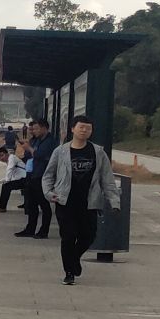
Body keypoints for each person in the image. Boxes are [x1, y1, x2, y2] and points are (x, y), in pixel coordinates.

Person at [41, 115, 117, 284]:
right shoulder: (60, 151)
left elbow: (107, 178)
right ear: (73, 129)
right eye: (81, 127)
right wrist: (48, 192)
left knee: (88, 236)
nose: (84, 131)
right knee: (68, 237)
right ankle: (69, 272)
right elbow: (48, 175)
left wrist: (114, 201)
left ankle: (74, 258)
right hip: (65, 202)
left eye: (88, 128)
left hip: (89, 203)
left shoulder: (98, 152)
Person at [16, 117, 54, 238]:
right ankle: (30, 229)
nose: (34, 131)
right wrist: (28, 149)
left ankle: (44, 230)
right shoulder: (36, 140)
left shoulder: (50, 142)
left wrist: (30, 149)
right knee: (31, 204)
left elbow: (41, 155)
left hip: (42, 176)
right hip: (32, 174)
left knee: (44, 204)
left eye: (37, 128)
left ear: (44, 128)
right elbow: (29, 155)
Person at [0, 146, 27, 210]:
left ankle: (2, 207)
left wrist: (6, 181)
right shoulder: (9, 160)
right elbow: (11, 176)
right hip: (22, 179)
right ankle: (26, 203)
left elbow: (9, 170)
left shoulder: (12, 158)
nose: (1, 158)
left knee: (6, 186)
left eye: (2, 155)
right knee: (6, 185)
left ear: (7, 153)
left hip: (26, 179)